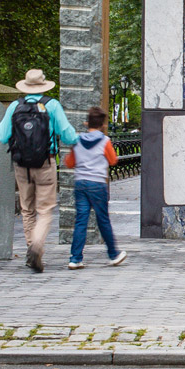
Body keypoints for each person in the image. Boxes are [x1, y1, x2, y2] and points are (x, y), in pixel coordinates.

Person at [0, 68, 77, 272]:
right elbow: (67, 134)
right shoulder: (52, 105)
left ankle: (29, 248)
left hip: (21, 164)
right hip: (45, 162)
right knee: (45, 209)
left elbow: (2, 135)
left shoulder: (15, 106)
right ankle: (37, 245)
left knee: (27, 209)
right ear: (43, 85)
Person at [65, 106, 127, 270]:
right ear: (102, 124)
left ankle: (75, 258)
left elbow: (69, 162)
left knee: (81, 221)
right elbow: (113, 160)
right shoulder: (105, 141)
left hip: (80, 183)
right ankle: (113, 254)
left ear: (87, 123)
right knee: (102, 219)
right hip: (97, 184)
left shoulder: (77, 140)